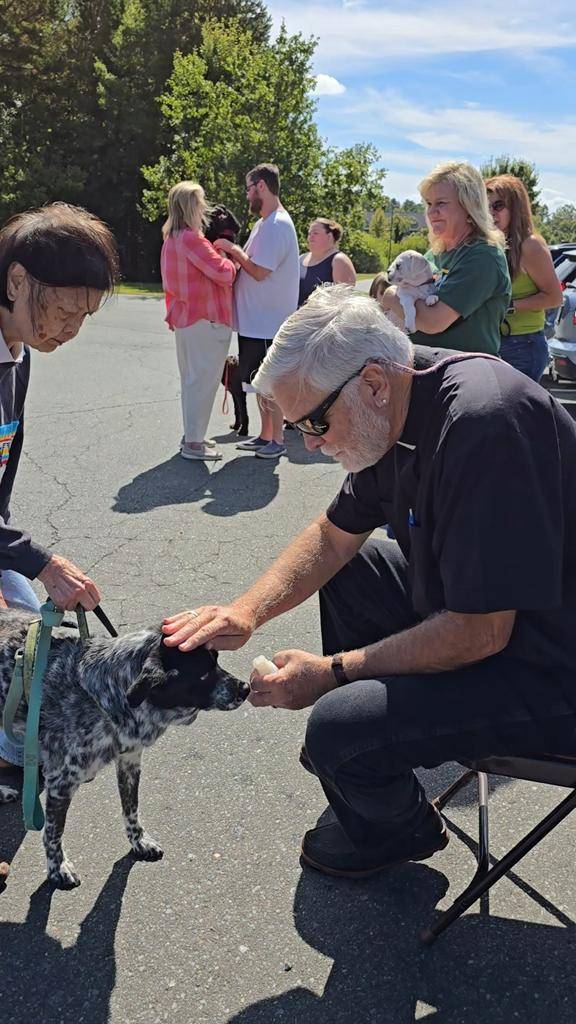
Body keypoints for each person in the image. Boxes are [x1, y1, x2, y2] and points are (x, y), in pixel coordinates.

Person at [162, 284, 576, 879]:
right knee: (356, 570)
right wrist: (245, 612)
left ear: (374, 383)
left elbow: (480, 633)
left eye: (314, 421)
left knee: (336, 728)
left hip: (552, 665)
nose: (308, 442)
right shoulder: (397, 405)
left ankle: (394, 824)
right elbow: (334, 537)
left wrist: (333, 675)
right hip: (499, 622)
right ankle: (374, 771)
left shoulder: (483, 424)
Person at [0, 202, 119, 769]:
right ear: (17, 280)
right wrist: (40, 562)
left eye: (84, 316)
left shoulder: (17, 355)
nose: (72, 329)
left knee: (33, 648)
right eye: (66, 310)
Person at [213, 163, 299, 461]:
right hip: (256, 322)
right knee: (258, 383)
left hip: (268, 323)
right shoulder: (266, 223)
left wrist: (231, 249)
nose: (247, 195)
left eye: (249, 189)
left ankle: (277, 440)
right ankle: (265, 435)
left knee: (269, 383)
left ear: (261, 186)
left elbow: (260, 271)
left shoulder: (277, 224)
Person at [379, 161, 510, 354]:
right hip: (425, 370)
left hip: (462, 376)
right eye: (429, 204)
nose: (432, 212)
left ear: (469, 208)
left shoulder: (483, 257)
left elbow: (433, 321)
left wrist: (390, 296)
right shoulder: (434, 254)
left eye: (441, 203)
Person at [160, 181, 236, 461]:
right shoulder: (192, 238)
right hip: (205, 317)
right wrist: (229, 258)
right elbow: (224, 273)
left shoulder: (171, 238)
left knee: (192, 380)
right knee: (202, 381)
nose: (204, 208)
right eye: (201, 202)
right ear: (191, 207)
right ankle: (193, 443)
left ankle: (192, 435)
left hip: (185, 317)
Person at [485, 174, 562, 382]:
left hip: (522, 345)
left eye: (498, 206)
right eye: (485, 206)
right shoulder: (492, 245)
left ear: (515, 208)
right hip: (495, 342)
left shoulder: (530, 245)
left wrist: (508, 306)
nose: (490, 212)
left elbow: (555, 298)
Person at [298, 219, 356, 307]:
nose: (310, 237)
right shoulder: (301, 258)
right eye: (309, 233)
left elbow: (344, 300)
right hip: (297, 317)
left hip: (324, 319)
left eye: (315, 233)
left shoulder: (339, 261)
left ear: (330, 236)